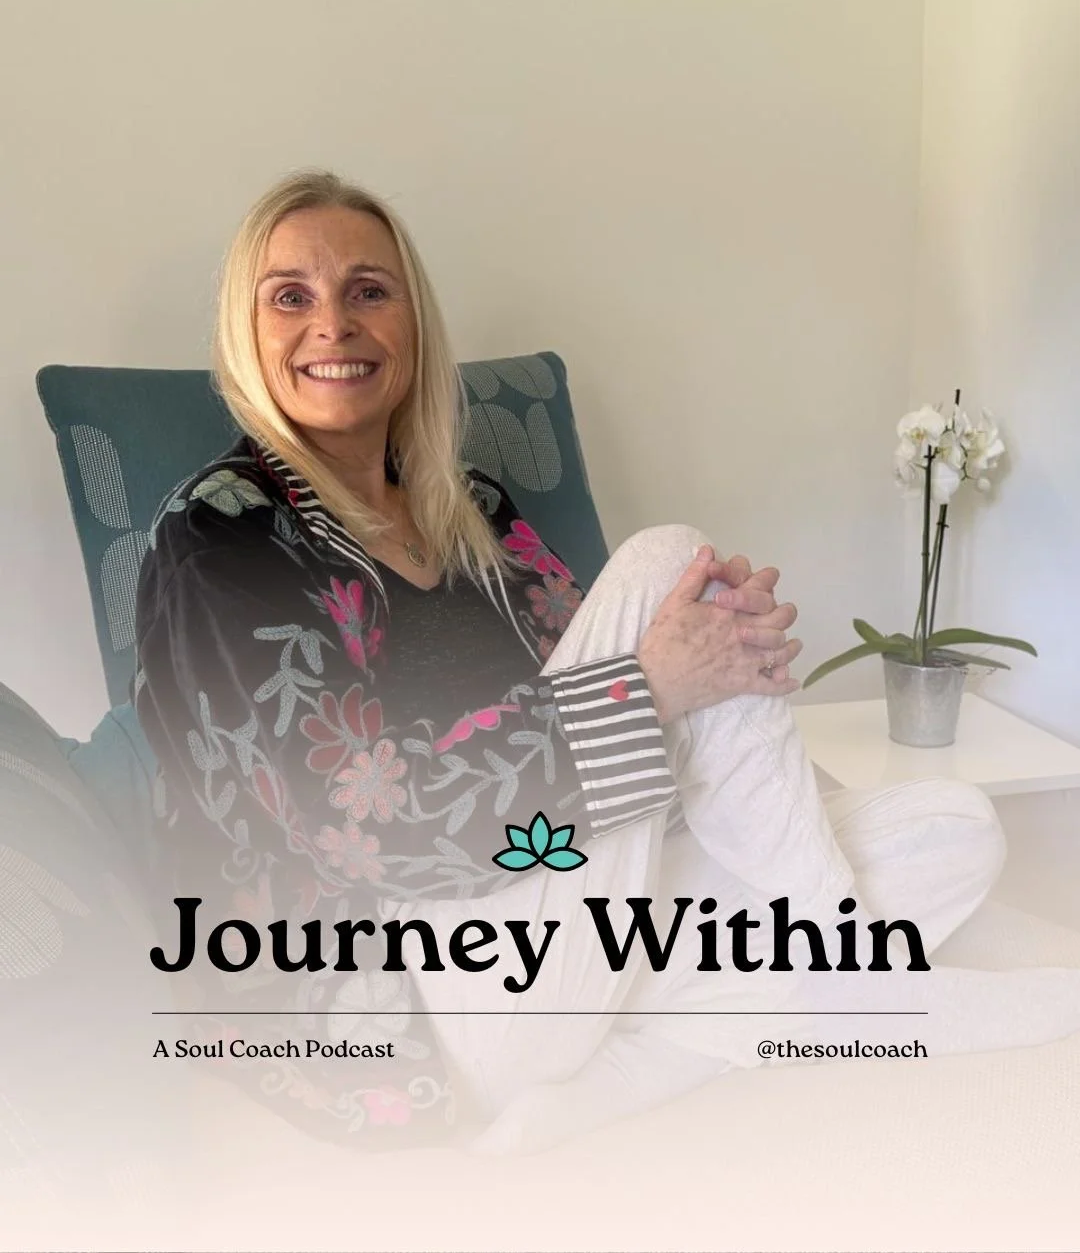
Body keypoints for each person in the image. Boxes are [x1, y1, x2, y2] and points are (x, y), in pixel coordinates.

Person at [134, 170, 1080, 1157]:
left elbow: (620, 697)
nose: (333, 322)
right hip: (418, 990)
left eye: (369, 289)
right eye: (290, 296)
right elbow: (359, 826)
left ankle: (624, 1074)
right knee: (668, 558)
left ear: (413, 321)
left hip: (569, 925)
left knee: (952, 831)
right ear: (246, 333)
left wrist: (711, 656)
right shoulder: (219, 537)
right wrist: (660, 680)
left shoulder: (473, 507)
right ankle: (845, 967)